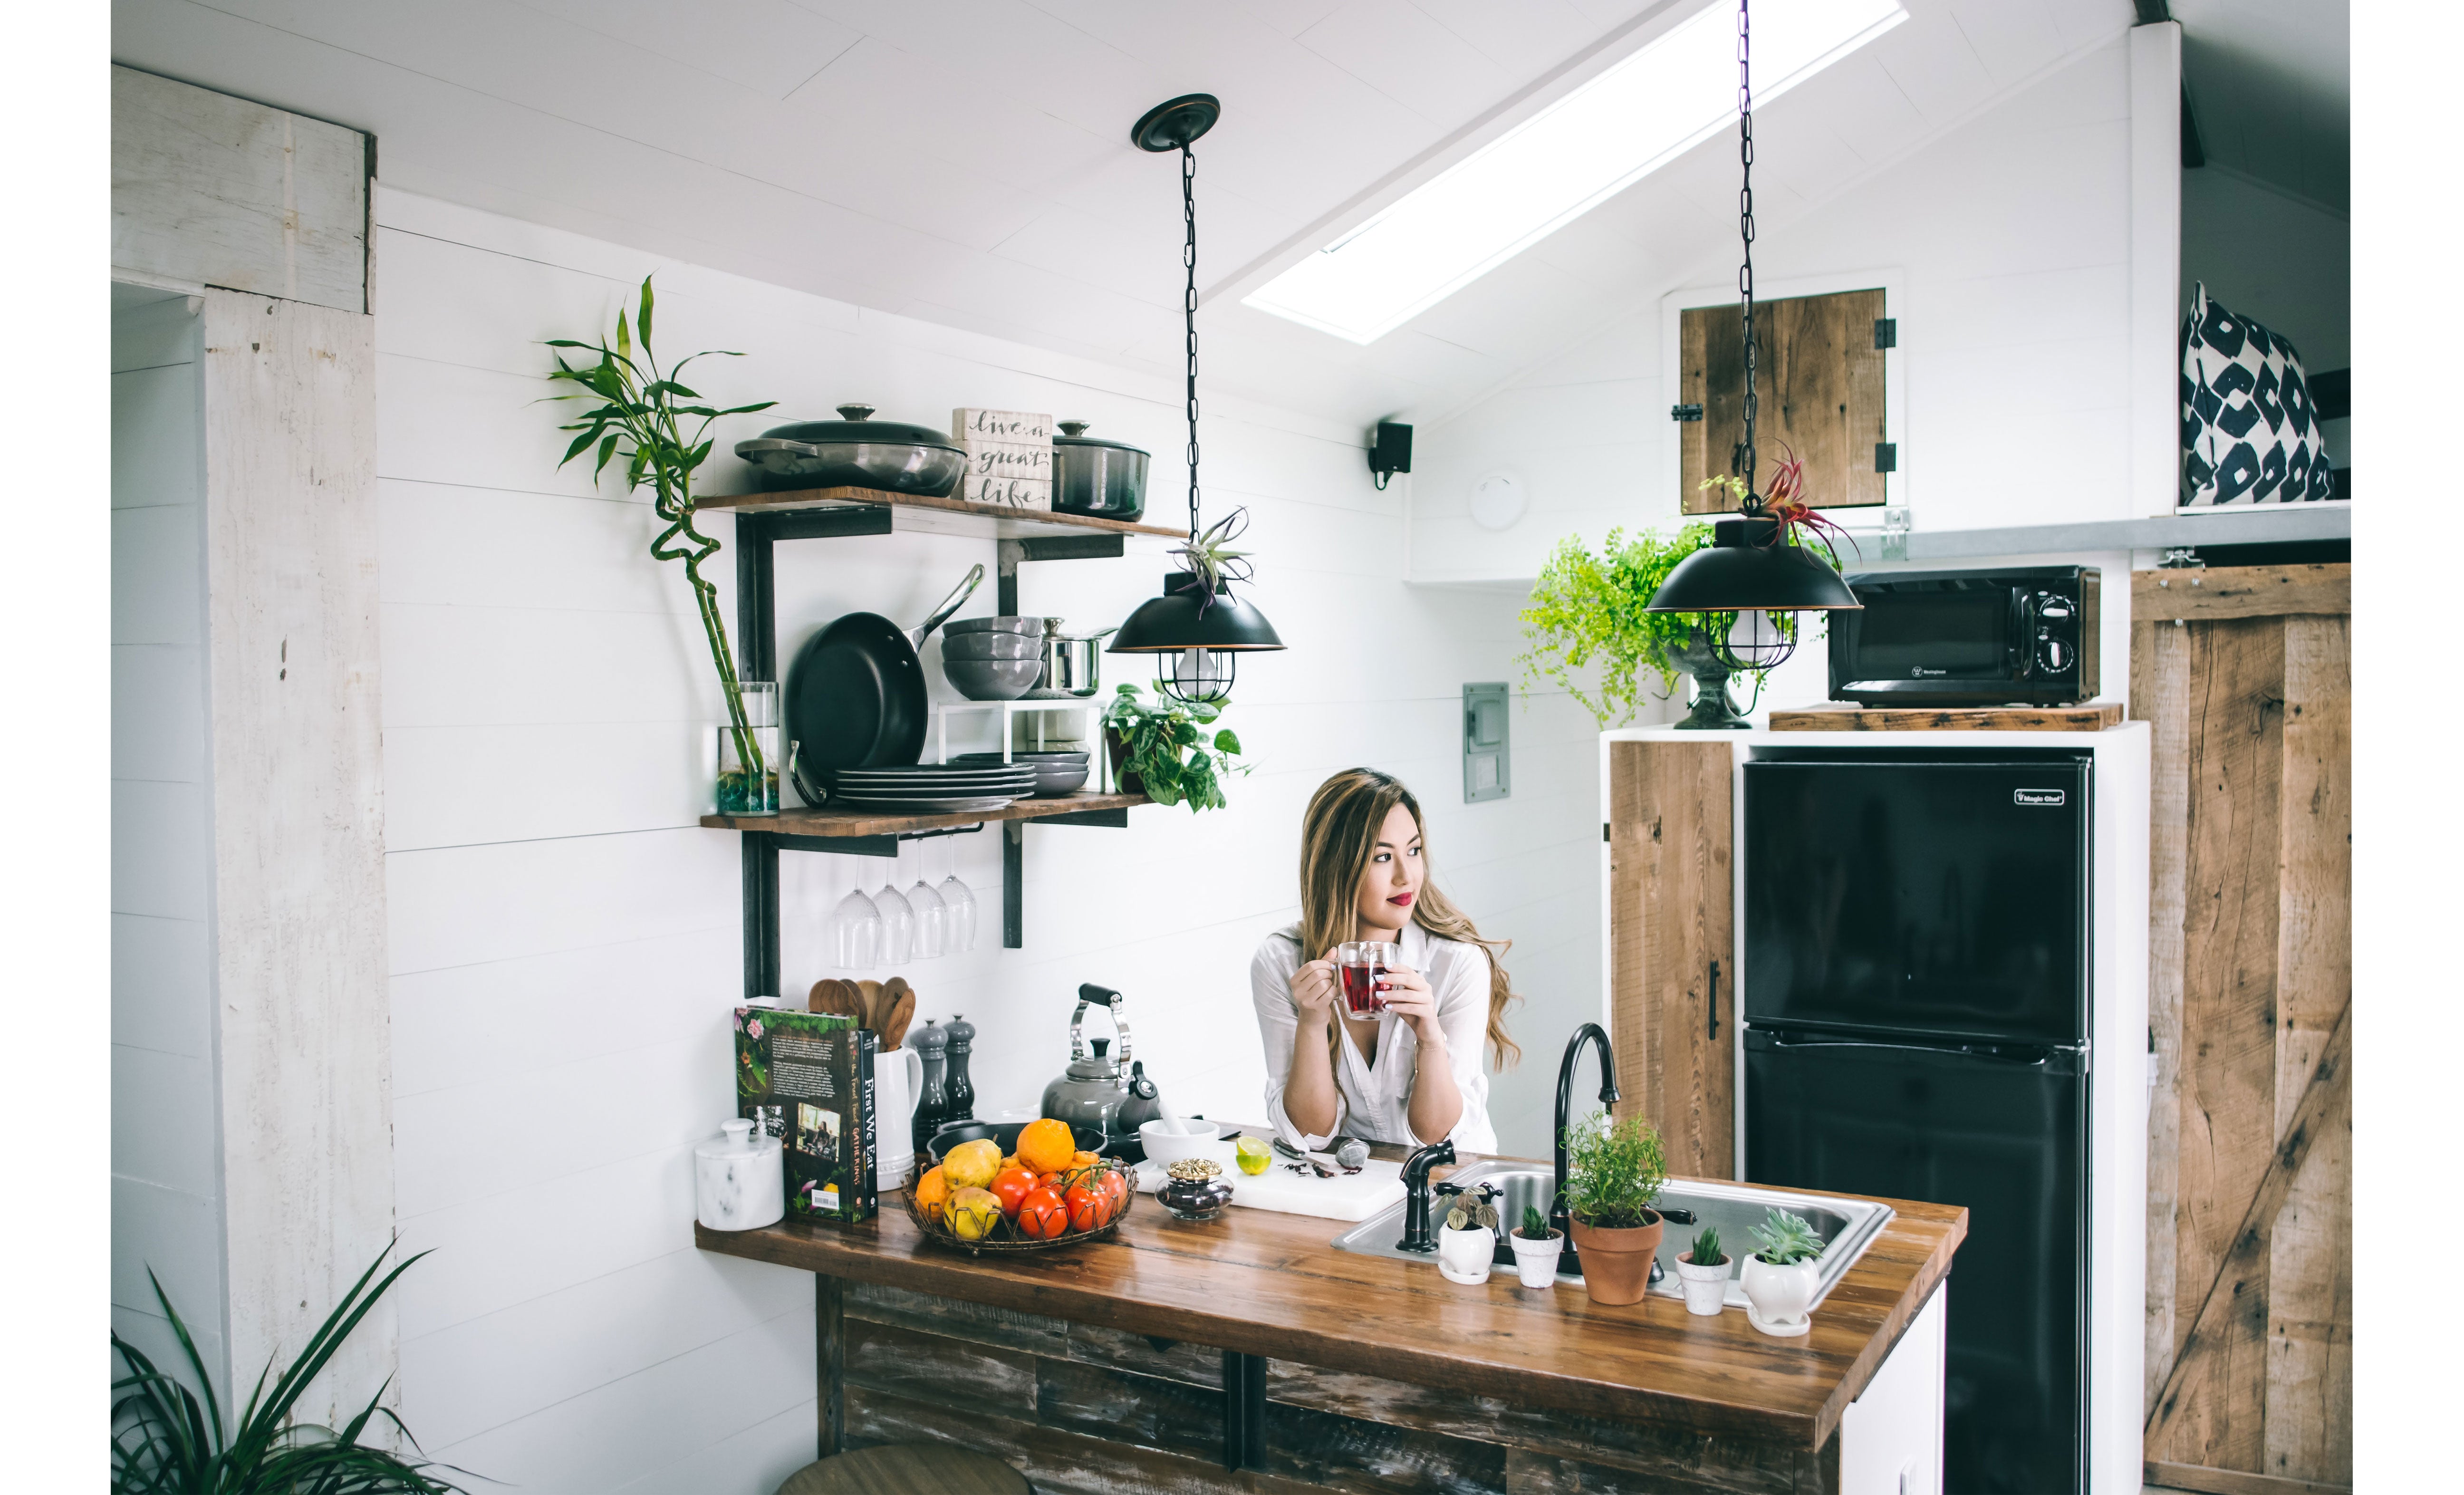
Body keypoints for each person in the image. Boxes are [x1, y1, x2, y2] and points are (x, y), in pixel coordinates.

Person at [1250, 768, 1519, 1156]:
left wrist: (1429, 1037)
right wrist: (1311, 1024)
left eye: (1413, 850)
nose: (1406, 875)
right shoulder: (1281, 963)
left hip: (1455, 1188)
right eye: (1383, 857)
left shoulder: (1457, 964)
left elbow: (1437, 1136)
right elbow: (1310, 1135)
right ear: (1337, 867)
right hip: (1358, 1188)